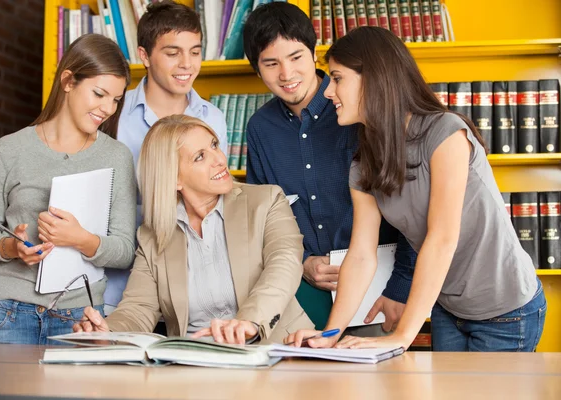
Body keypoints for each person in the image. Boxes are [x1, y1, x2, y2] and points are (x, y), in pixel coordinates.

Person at [286, 27, 547, 352]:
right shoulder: (364, 161)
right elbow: (362, 255)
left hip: (507, 310)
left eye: (337, 78)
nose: (327, 92)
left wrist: (401, 337)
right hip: (448, 308)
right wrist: (330, 334)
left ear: (373, 78)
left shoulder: (446, 134)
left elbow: (441, 239)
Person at [242, 2, 417, 334]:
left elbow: (410, 208)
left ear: (314, 53)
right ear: (257, 69)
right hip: (302, 297)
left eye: (295, 58)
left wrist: (400, 286)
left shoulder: (358, 109)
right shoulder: (260, 129)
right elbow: (263, 218)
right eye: (271, 63)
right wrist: (303, 260)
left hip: (380, 292)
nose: (286, 74)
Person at [74, 115, 314, 344]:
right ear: (174, 178)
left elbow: (284, 263)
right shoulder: (152, 234)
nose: (220, 159)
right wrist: (107, 331)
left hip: (274, 349)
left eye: (214, 145)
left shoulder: (267, 200)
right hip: (195, 360)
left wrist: (247, 322)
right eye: (200, 156)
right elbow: (139, 308)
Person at [0, 34, 137, 345]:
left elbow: (125, 250)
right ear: (69, 81)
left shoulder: (117, 157)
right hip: (6, 311)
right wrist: (11, 247)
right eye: (99, 94)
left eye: (116, 99)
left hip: (80, 317)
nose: (108, 109)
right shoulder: (10, 149)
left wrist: (81, 239)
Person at [105, 0, 229, 313]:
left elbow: (215, 203)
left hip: (193, 293)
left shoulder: (213, 118)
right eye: (173, 53)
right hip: (122, 288)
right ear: (144, 56)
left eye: (196, 51)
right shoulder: (113, 114)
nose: (187, 64)